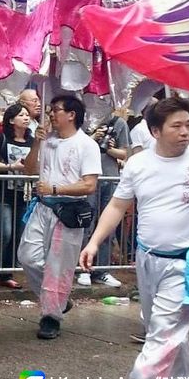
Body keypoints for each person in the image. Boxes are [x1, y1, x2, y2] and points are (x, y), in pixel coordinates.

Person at [81, 97, 189, 379]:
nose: (185, 132)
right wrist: (94, 241)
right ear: (154, 131)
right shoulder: (138, 163)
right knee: (163, 328)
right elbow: (117, 205)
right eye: (176, 126)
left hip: (187, 262)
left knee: (164, 331)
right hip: (147, 259)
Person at [17, 94, 100, 340]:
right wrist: (35, 144)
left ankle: (51, 317)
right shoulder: (47, 141)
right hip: (41, 208)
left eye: (56, 110)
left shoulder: (87, 145)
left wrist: (56, 189)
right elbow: (30, 169)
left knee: (59, 267)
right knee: (27, 256)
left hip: (69, 212)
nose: (51, 114)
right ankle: (58, 299)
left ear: (71, 115)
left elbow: (89, 185)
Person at [0, 102, 34, 290]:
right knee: (3, 232)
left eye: (27, 115)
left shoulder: (33, 140)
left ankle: (8, 272)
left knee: (18, 234)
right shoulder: (1, 138)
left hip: (24, 194)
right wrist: (10, 167)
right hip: (2, 192)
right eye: (21, 115)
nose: (26, 118)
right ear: (11, 120)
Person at [76, 110, 129, 289]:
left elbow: (124, 153)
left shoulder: (119, 123)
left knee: (107, 227)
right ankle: (83, 269)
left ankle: (102, 270)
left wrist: (109, 148)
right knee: (86, 225)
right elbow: (76, 147)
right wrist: (93, 137)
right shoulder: (83, 120)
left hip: (110, 177)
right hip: (88, 178)